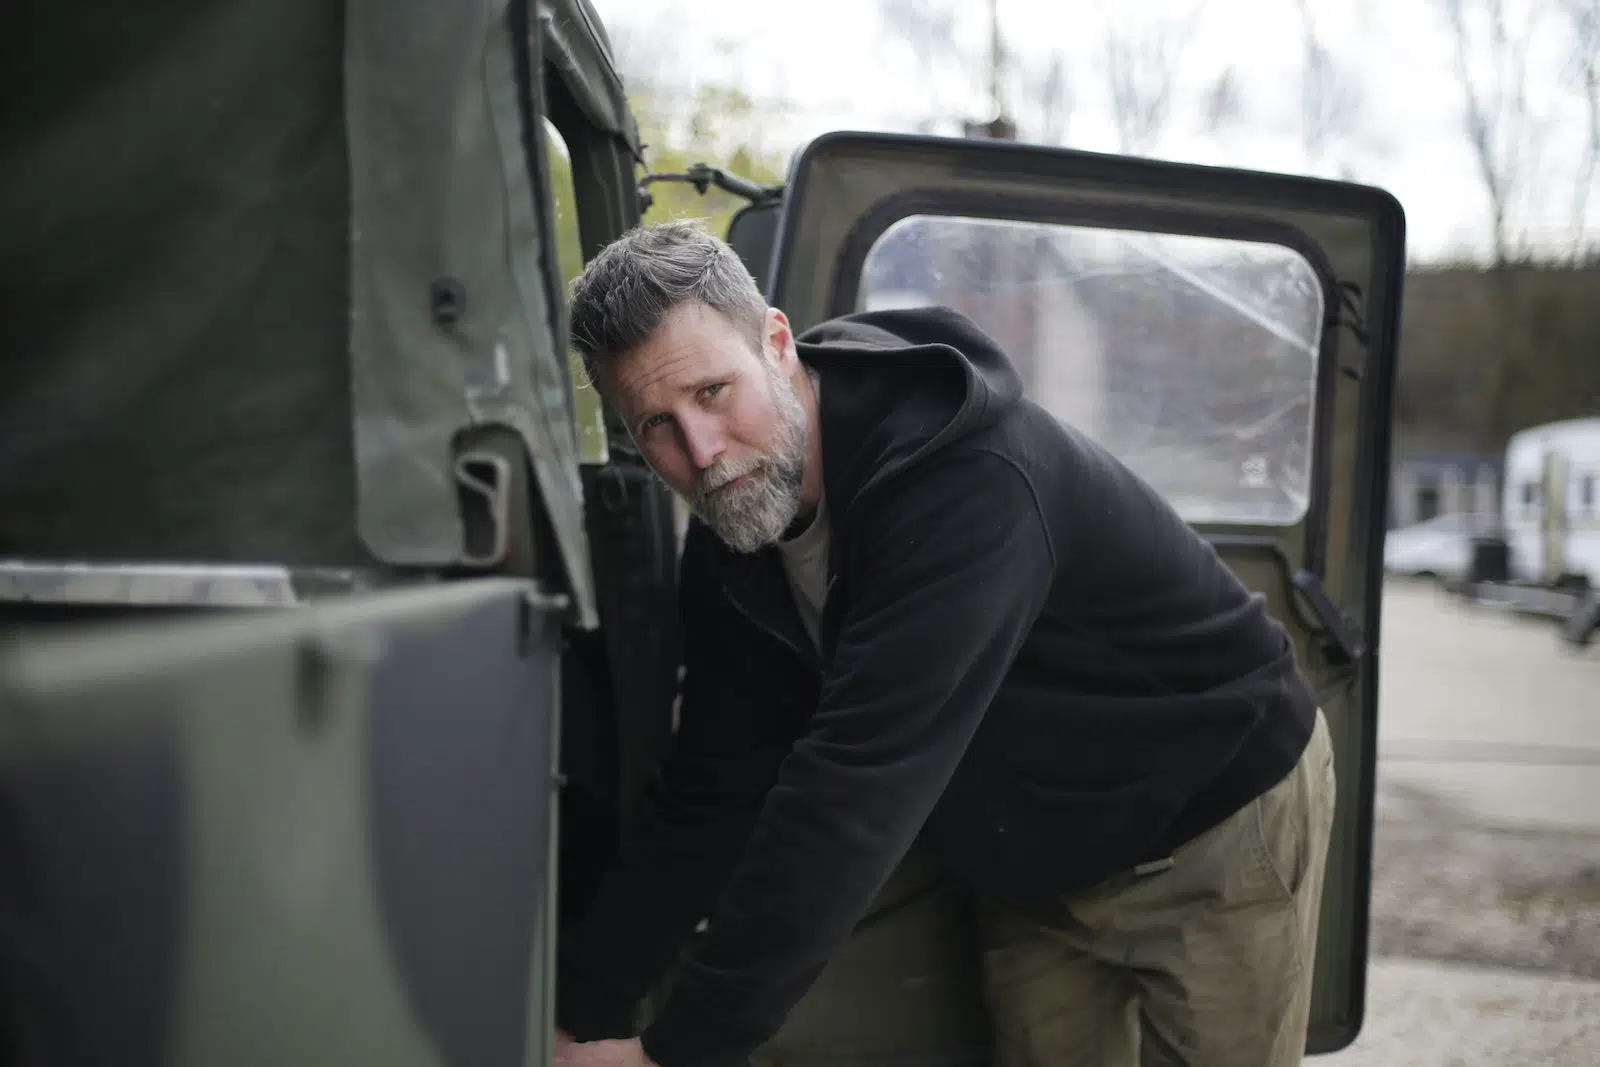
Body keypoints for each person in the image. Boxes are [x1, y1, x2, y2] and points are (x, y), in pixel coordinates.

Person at [552, 220, 1337, 1067]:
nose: (701, 452)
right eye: (655, 426)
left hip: (1213, 822)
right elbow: (713, 787)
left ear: (777, 343)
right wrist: (575, 1010)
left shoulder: (967, 481)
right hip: (1032, 861)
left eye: (712, 392)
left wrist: (676, 1053)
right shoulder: (733, 539)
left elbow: (854, 786)